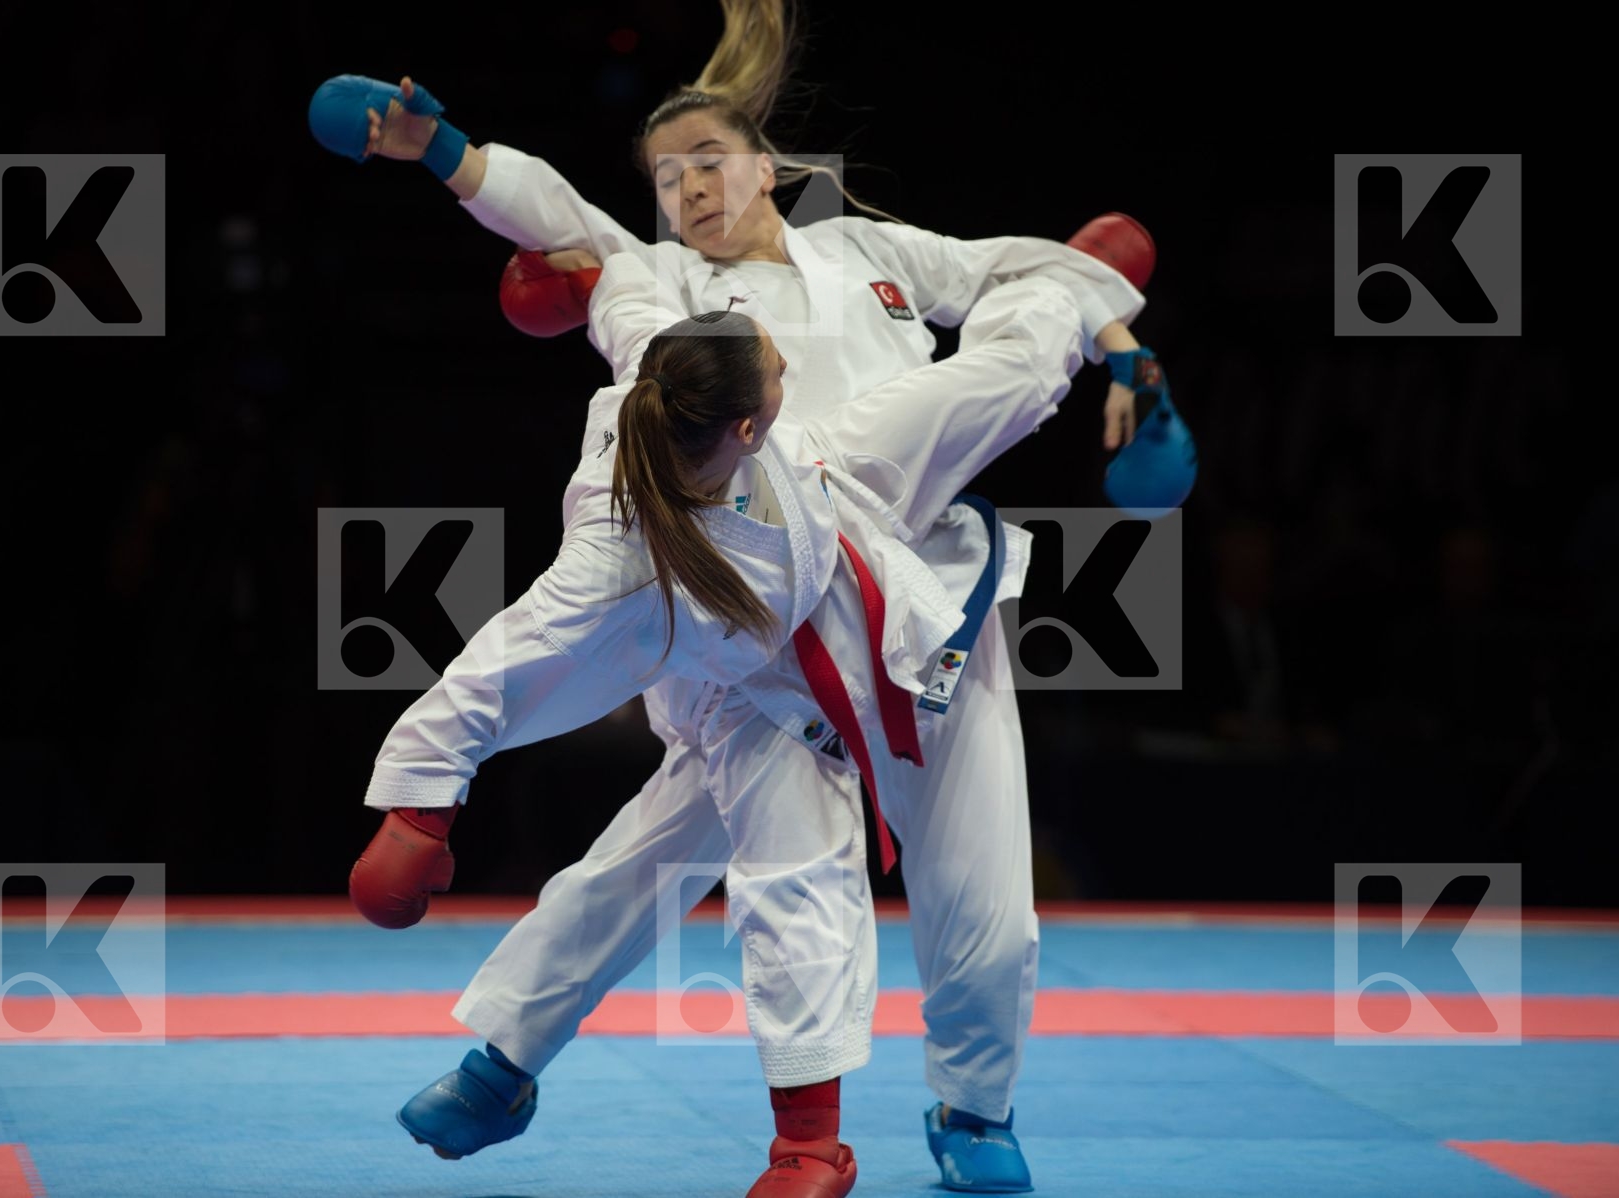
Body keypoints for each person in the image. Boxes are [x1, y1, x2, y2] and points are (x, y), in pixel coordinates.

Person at [310, 3, 1169, 1189]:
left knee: (982, 909)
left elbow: (1012, 277)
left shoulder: (872, 253)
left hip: (918, 592)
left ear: (769, 166)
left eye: (709, 159)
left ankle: (972, 1112)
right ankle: (517, 1062)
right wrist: (448, 156)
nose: (689, 187)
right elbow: (564, 219)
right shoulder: (661, 284)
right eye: (666, 177)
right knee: (668, 864)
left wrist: (1114, 327)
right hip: (752, 588)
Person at [356, 246, 1089, 1195]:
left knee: (999, 377)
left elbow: (630, 315)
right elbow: (503, 661)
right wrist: (420, 804)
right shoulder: (612, 557)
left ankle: (1070, 287)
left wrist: (594, 281)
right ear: (748, 424)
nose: (785, 359)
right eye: (776, 365)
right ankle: (807, 1145)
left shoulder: (665, 385)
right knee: (790, 890)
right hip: (763, 706)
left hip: (844, 497)